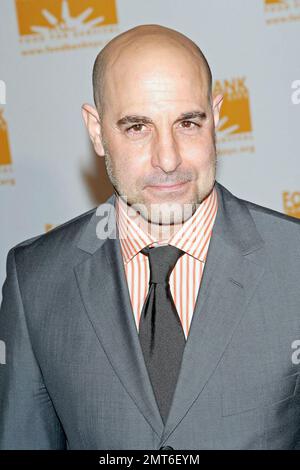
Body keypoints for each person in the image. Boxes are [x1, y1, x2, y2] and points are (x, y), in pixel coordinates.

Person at [0, 24, 300, 451]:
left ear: (215, 116)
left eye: (188, 123)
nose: (168, 158)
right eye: (137, 127)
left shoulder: (294, 262)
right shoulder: (36, 279)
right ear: (97, 130)